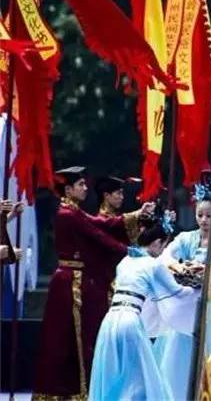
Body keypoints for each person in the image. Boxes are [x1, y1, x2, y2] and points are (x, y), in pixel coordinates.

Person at [32, 166, 155, 400]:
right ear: (68, 190)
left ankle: (77, 390)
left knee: (74, 337)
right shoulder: (67, 214)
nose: (85, 188)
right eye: (80, 185)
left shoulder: (74, 211)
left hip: (76, 281)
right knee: (67, 338)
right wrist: (127, 251)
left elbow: (101, 226)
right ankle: (68, 391)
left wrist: (137, 214)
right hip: (70, 282)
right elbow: (97, 234)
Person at [88, 215, 198, 400]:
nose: (162, 252)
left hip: (110, 320)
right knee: (139, 377)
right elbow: (178, 292)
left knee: (111, 372)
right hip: (130, 320)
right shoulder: (153, 264)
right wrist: (198, 289)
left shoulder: (124, 262)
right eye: (163, 246)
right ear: (157, 242)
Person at [153, 182, 211, 401]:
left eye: (209, 216)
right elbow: (165, 257)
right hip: (186, 303)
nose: (204, 220)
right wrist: (181, 267)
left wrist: (210, 267)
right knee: (178, 352)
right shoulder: (186, 238)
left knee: (209, 349)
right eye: (200, 215)